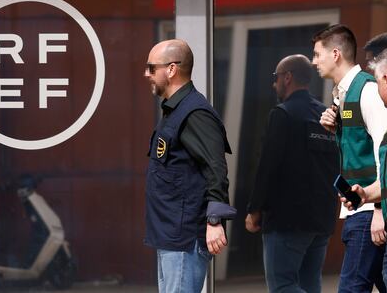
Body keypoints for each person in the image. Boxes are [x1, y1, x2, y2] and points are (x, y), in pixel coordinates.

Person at [143, 39, 236, 293]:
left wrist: (215, 220)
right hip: (170, 235)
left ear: (171, 69)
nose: (146, 74)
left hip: (184, 237)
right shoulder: (175, 110)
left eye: (152, 68)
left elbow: (216, 167)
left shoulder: (195, 112)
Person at [245, 54, 339, 293]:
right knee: (309, 284)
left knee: (283, 285)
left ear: (287, 78)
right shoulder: (325, 115)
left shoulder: (283, 114)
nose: (273, 83)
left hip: (288, 221)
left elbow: (268, 167)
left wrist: (254, 210)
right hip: (321, 219)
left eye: (275, 77)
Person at [315, 24, 387, 293]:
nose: (314, 62)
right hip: (363, 206)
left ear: (335, 54)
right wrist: (337, 129)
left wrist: (379, 209)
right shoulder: (344, 95)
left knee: (352, 287)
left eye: (317, 54)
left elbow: (384, 149)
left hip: (370, 210)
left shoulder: (367, 90)